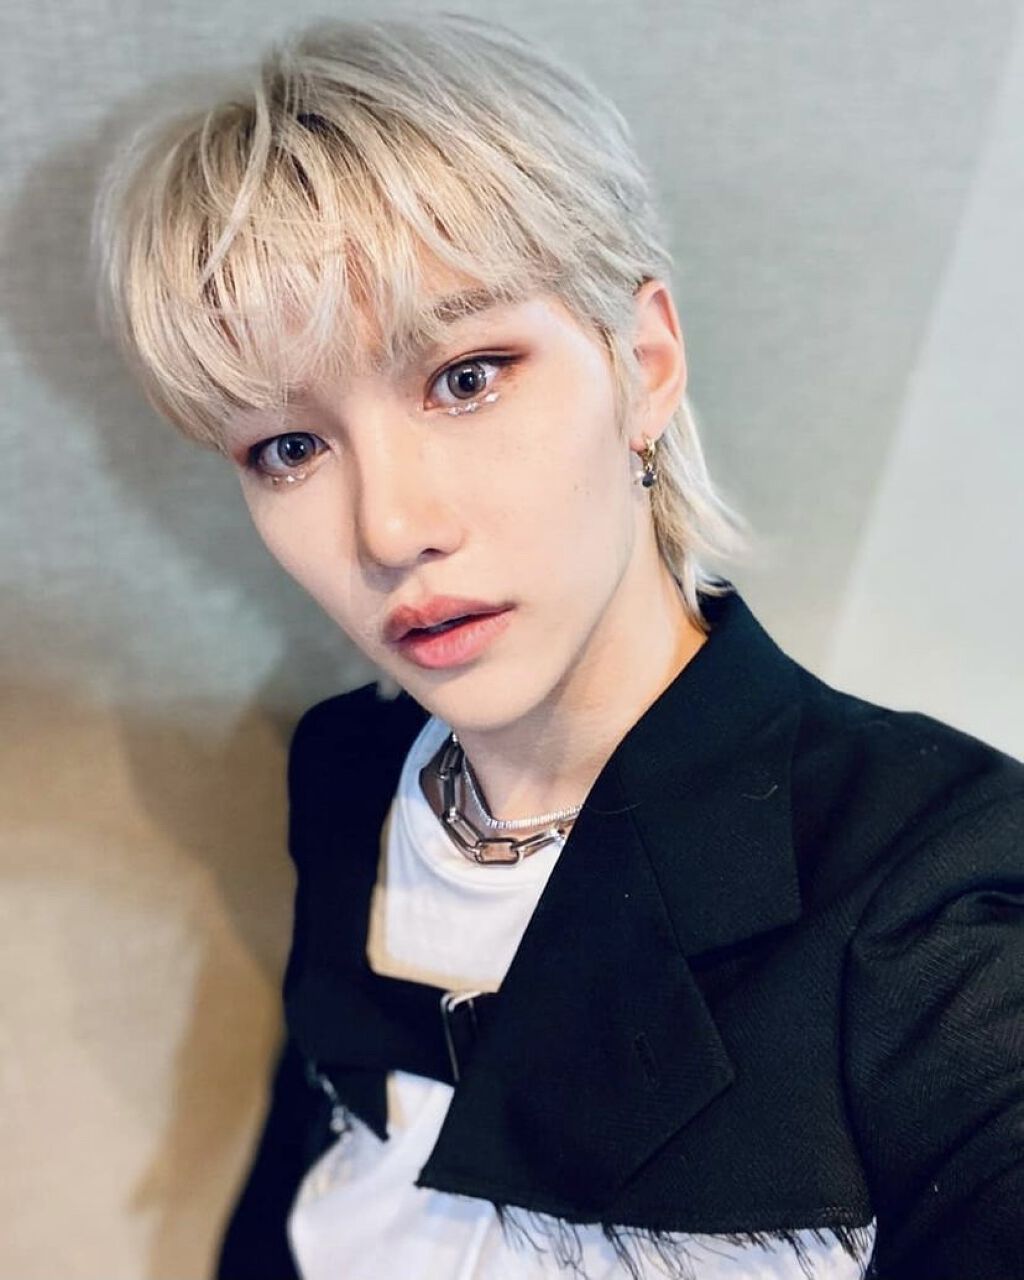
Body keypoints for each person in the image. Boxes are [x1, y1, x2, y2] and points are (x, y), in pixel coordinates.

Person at [90, 13, 1024, 1280]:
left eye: (467, 376)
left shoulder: (941, 895)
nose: (390, 528)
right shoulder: (349, 768)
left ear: (644, 362)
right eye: (288, 447)